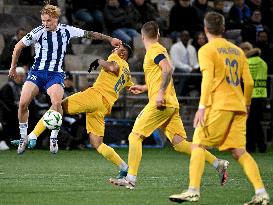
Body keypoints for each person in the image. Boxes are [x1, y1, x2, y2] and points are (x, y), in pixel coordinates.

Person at [109, 21, 229, 190]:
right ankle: (218, 163)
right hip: (171, 103)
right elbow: (160, 75)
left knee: (134, 136)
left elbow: (168, 69)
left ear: (142, 36)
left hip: (161, 103)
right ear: (158, 34)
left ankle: (130, 179)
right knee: (180, 144)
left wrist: (159, 94)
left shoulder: (155, 50)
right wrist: (145, 87)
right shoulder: (159, 49)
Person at [169, 12, 269, 205]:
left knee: (198, 144)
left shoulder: (207, 50)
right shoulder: (238, 51)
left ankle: (192, 191)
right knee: (240, 152)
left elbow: (207, 80)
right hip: (239, 106)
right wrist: (247, 103)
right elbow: (248, 83)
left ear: (206, 29)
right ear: (223, 29)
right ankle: (261, 192)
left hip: (219, 105)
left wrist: (202, 106)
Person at [8, 3, 122, 155]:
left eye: (48, 20)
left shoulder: (67, 30)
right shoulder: (38, 32)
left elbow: (90, 34)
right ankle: (23, 138)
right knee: (22, 104)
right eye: (43, 21)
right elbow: (18, 47)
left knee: (56, 102)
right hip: (37, 72)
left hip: (55, 74)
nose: (45, 24)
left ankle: (54, 138)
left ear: (55, 19)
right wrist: (13, 67)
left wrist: (110, 39)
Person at [13, 43, 134, 178]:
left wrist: (99, 61)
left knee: (57, 106)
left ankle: (32, 137)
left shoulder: (116, 58)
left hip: (94, 96)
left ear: (123, 54)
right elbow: (131, 87)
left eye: (118, 49)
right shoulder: (127, 72)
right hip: (103, 107)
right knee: (97, 143)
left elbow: (112, 66)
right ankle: (123, 166)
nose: (115, 49)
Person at [240, 42, 267, 153]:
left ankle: (251, 146)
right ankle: (261, 146)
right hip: (261, 96)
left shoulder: (246, 62)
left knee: (249, 123)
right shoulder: (263, 62)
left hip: (249, 96)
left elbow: (244, 81)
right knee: (257, 122)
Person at [0, 67, 26, 150]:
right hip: (9, 112)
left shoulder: (23, 86)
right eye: (19, 75)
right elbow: (6, 103)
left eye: (23, 76)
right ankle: (4, 141)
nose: (21, 78)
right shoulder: (8, 87)